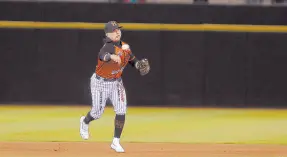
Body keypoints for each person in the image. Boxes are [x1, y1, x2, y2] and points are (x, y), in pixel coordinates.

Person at [79, 21, 150, 153]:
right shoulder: (107, 47)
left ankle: (115, 141)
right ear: (108, 34)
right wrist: (111, 56)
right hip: (100, 83)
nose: (117, 32)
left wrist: (138, 65)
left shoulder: (125, 47)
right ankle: (85, 121)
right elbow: (102, 55)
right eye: (113, 30)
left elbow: (132, 60)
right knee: (97, 113)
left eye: (118, 29)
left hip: (116, 82)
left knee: (121, 110)